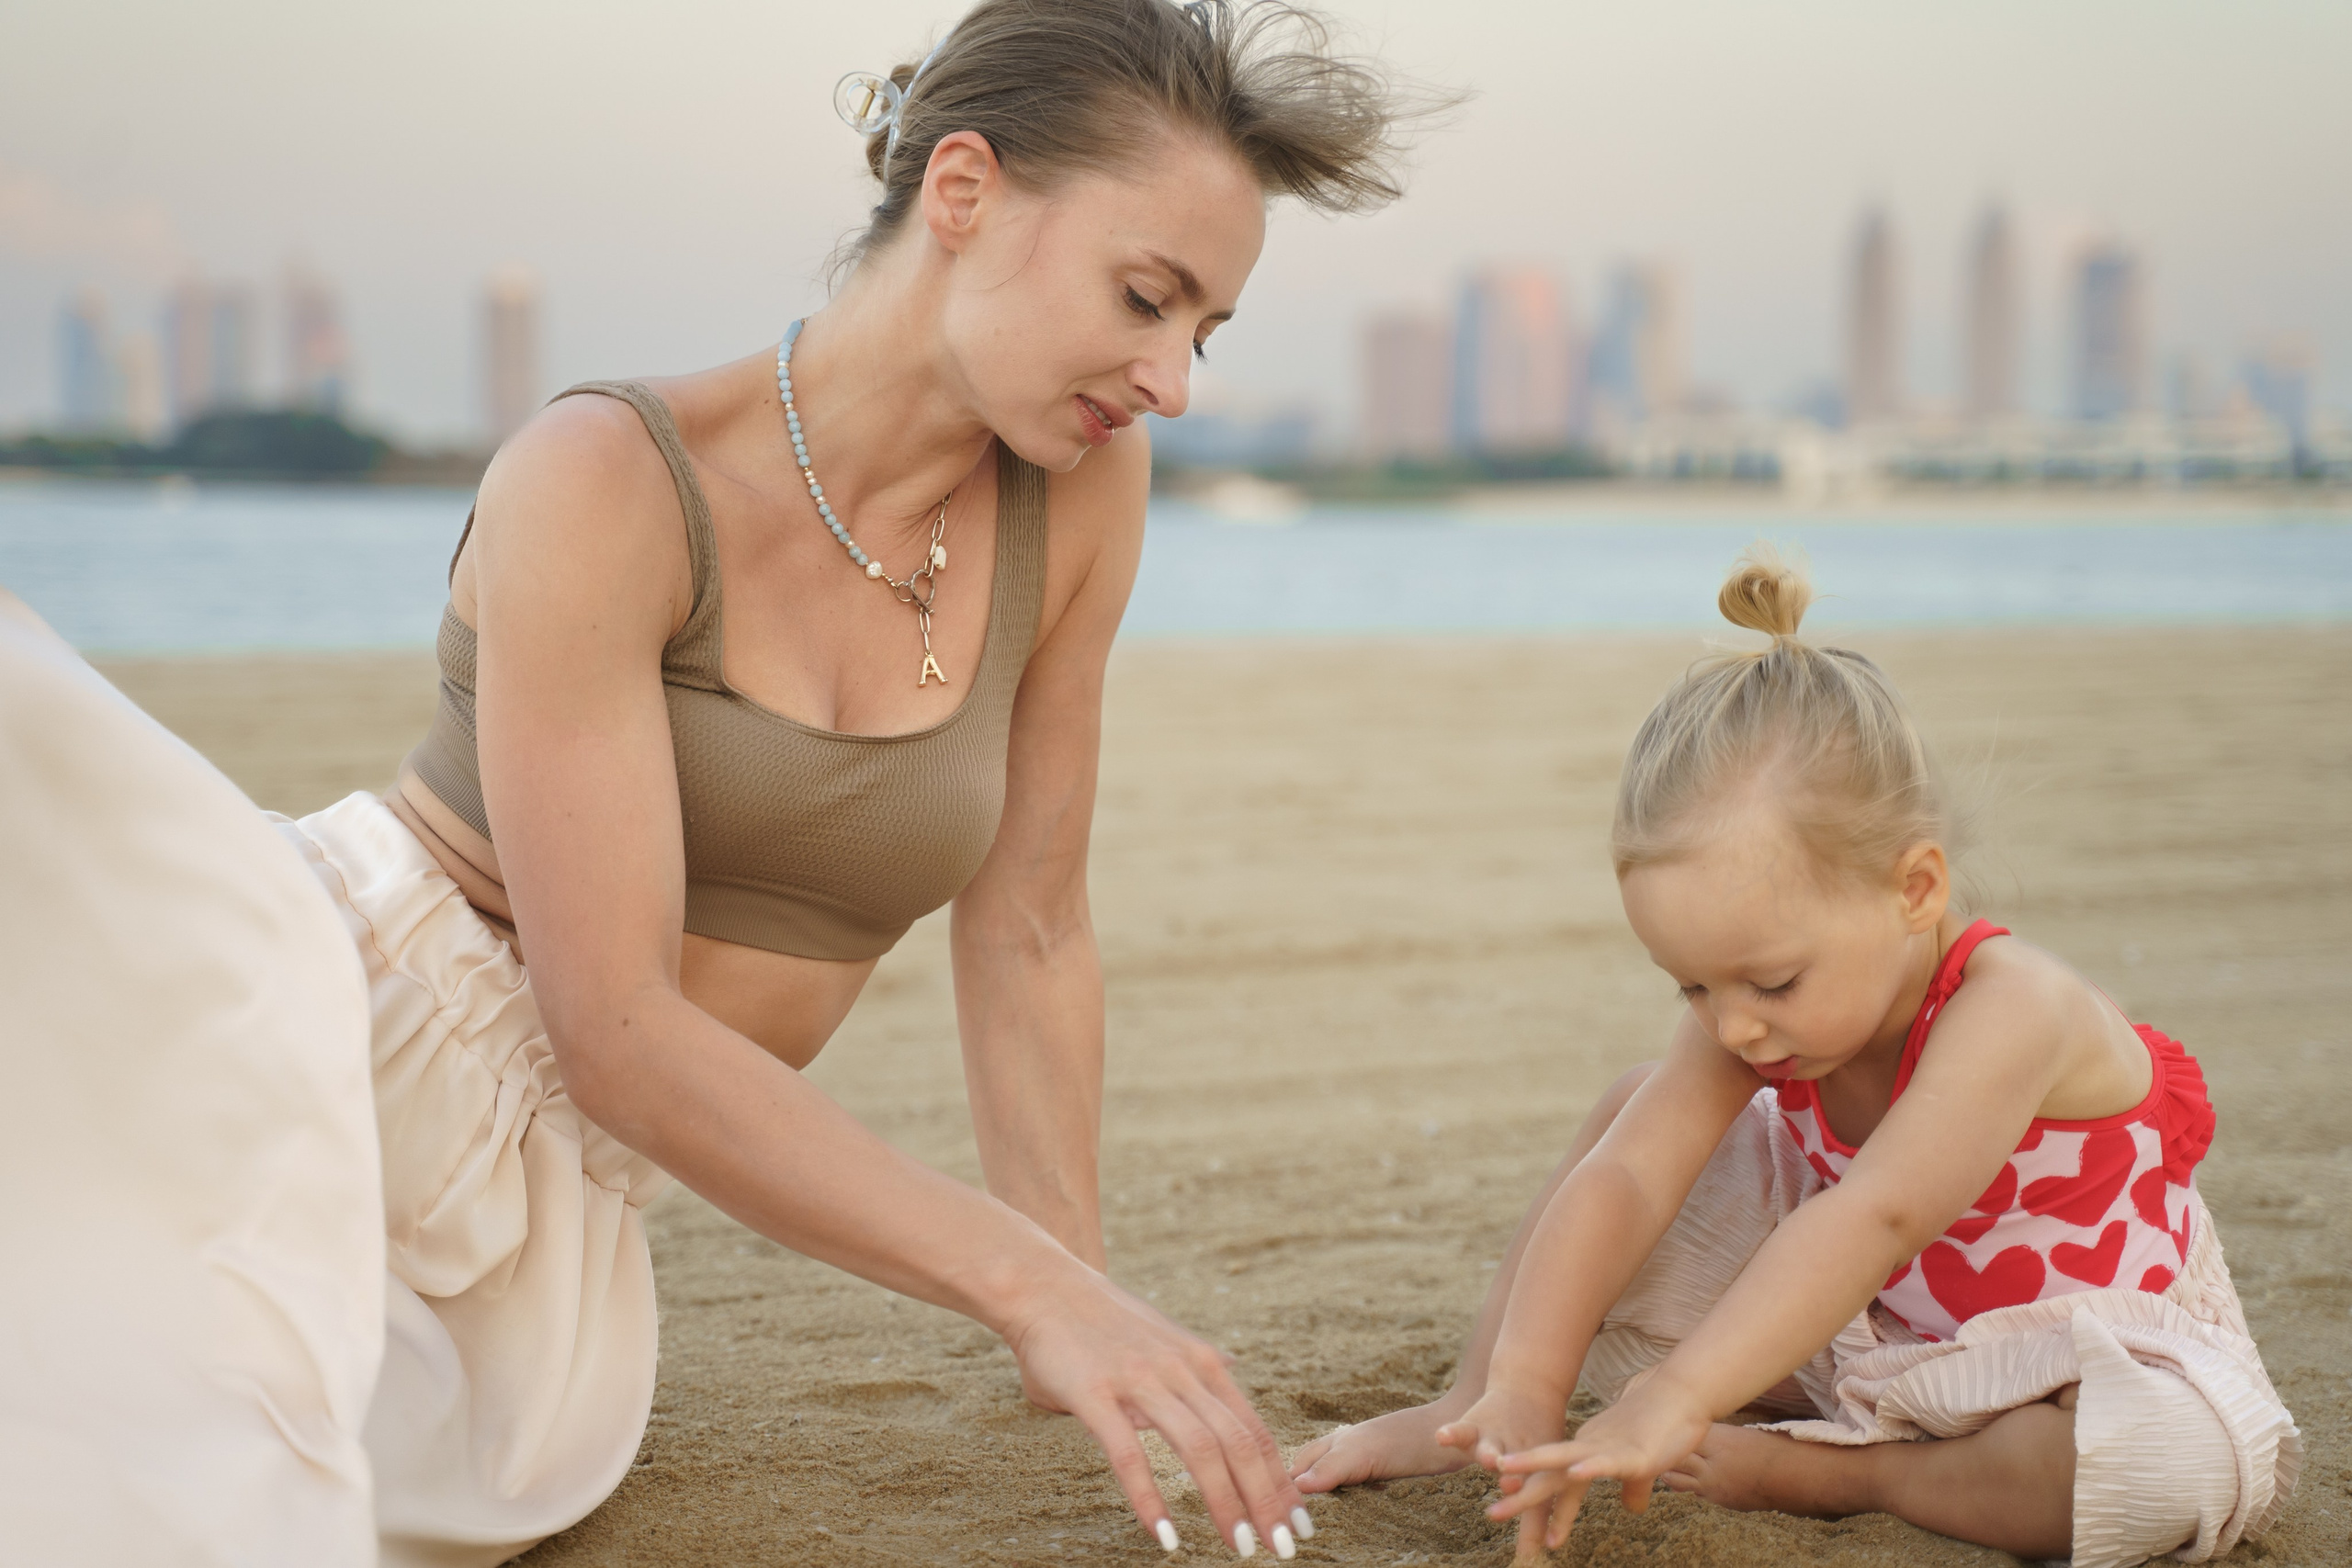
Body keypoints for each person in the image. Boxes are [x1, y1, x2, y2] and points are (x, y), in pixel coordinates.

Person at [1, 4, 1429, 1563]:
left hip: (554, 1223)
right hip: (311, 1047)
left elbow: (1026, 924)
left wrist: (1073, 1296)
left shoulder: (1077, 495)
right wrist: (1026, 1283)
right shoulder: (605, 477)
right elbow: (609, 1024)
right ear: (963, 193)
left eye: (1204, 332)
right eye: (1146, 298)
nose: (1171, 380)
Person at [1287, 551, 2301, 1568]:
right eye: (1690, 986)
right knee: (1633, 1116)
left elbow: (1875, 1216)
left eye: (1769, 984)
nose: (1731, 1028)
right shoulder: (1754, 1014)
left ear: (1913, 889)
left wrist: (1677, 1397)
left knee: (2164, 1464)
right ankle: (1473, 1402)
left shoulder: (2015, 1007)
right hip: (1870, 1333)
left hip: (2067, 1357)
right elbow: (1631, 1182)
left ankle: (1833, 1474)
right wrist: (1524, 1386)